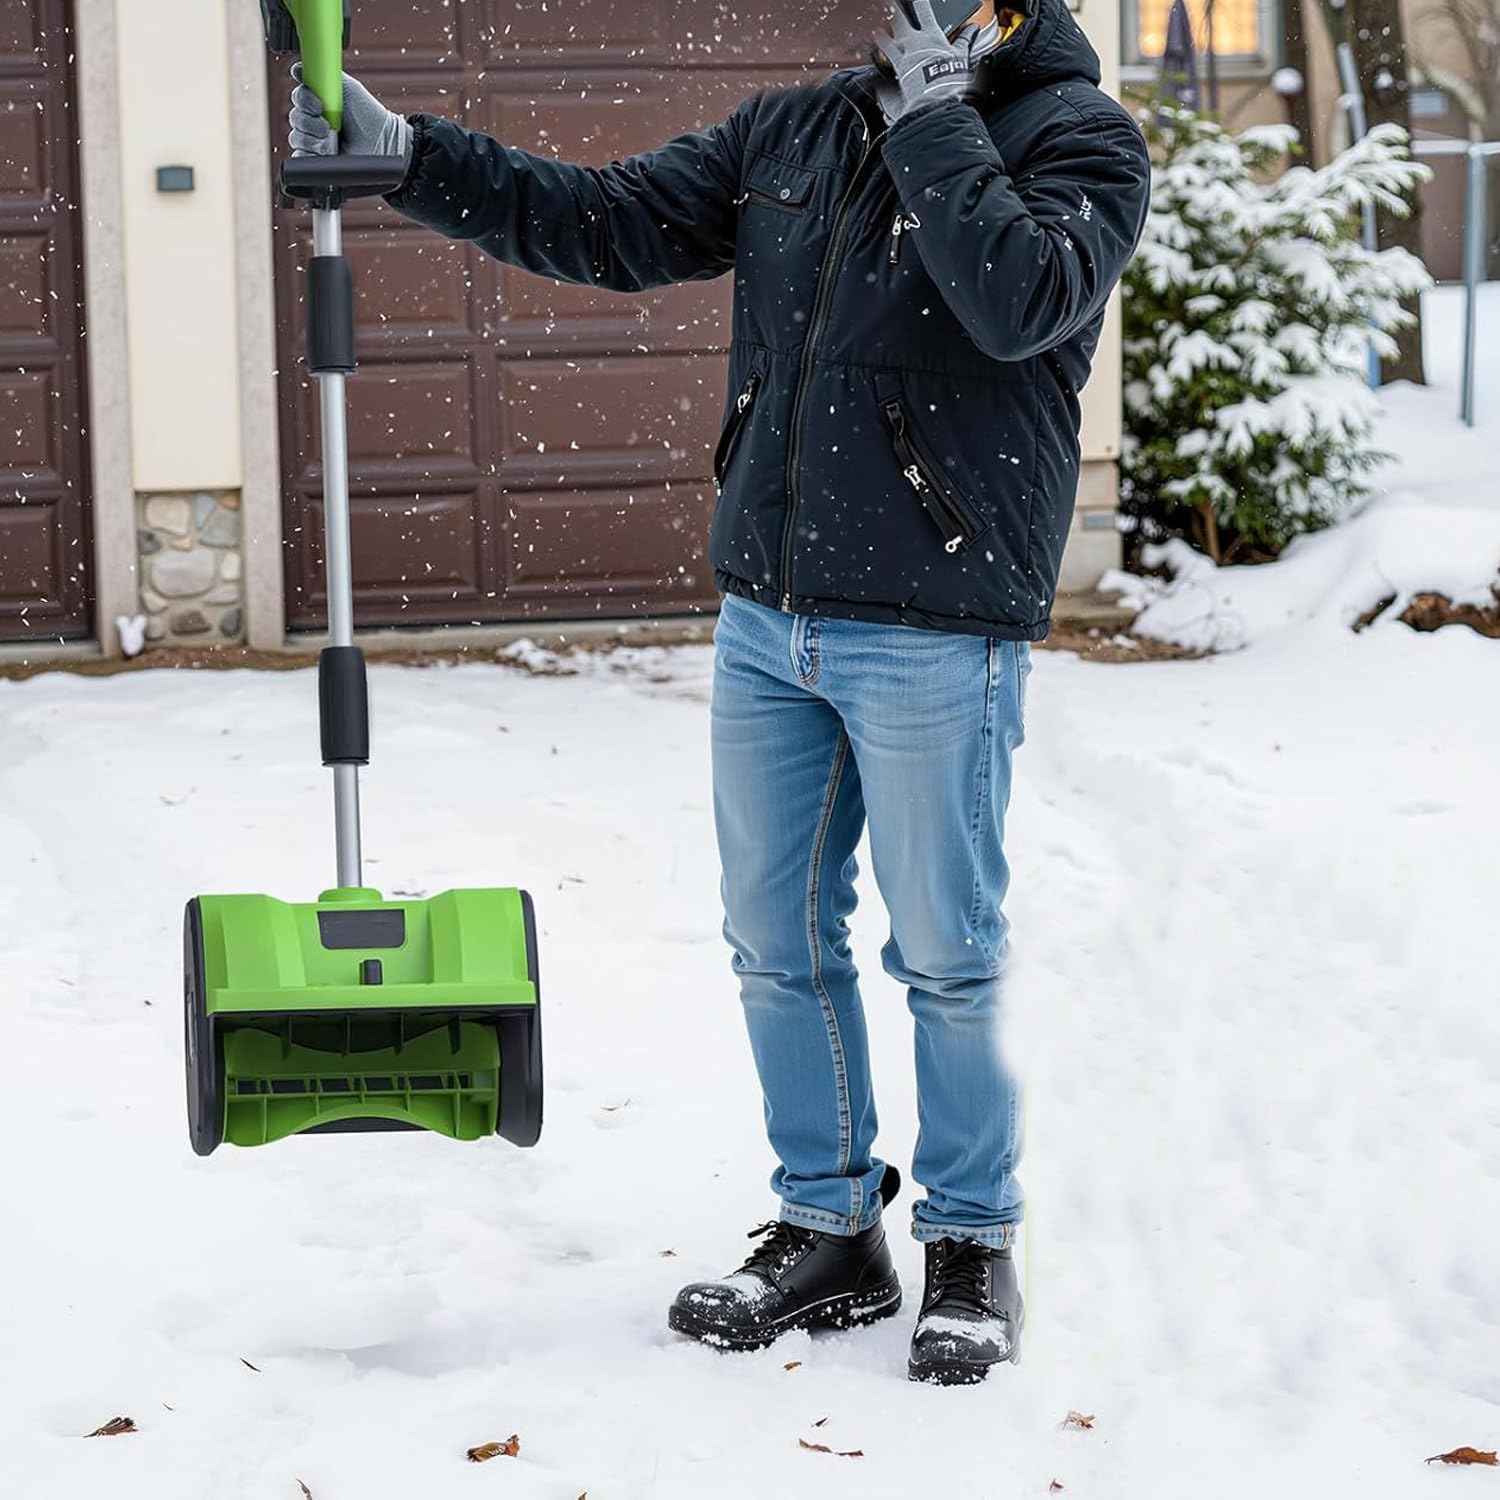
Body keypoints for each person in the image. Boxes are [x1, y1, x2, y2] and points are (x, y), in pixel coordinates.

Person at [290, 0, 1149, 1386]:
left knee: (950, 954)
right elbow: (608, 222)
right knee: (775, 940)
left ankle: (976, 1243)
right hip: (773, 622)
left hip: (935, 625)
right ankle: (829, 1229)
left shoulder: (1078, 139)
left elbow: (1020, 300)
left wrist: (936, 120)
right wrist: (409, 156)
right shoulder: (798, 127)